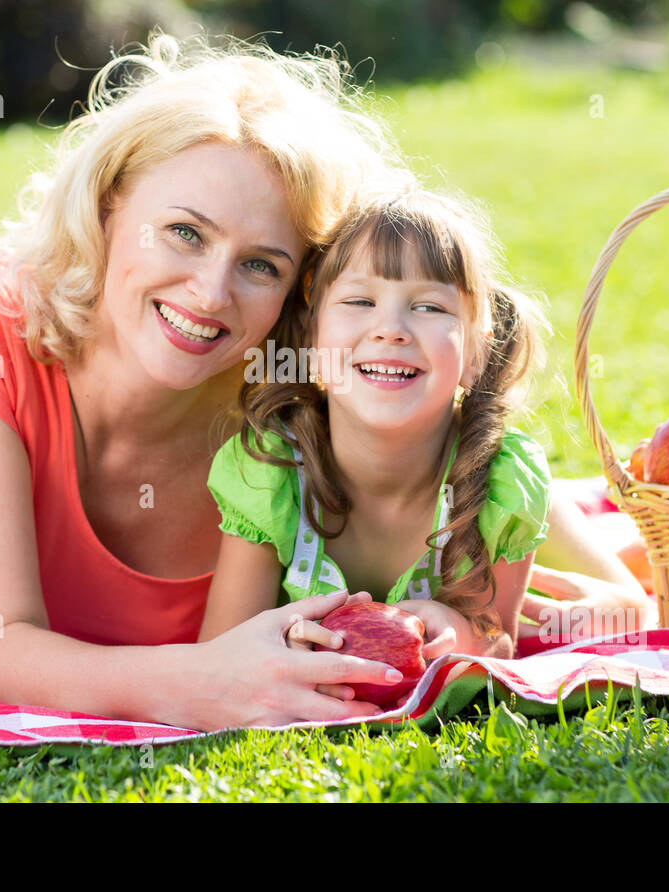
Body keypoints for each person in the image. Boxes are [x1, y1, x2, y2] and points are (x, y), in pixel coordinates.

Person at [0, 34, 646, 733]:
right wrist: (205, 683)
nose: (211, 294)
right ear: (109, 205)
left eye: (260, 264)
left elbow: (509, 486)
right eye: (183, 232)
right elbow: (1, 652)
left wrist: (535, 610)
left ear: (303, 295)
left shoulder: (300, 391)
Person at [197, 180, 634, 682]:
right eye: (360, 301)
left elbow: (503, 640)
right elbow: (222, 653)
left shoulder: (500, 483)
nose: (391, 329)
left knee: (602, 571)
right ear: (313, 340)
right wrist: (282, 644)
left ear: (475, 356)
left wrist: (463, 633)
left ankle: (627, 548)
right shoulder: (269, 474)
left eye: (429, 307)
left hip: (485, 481)